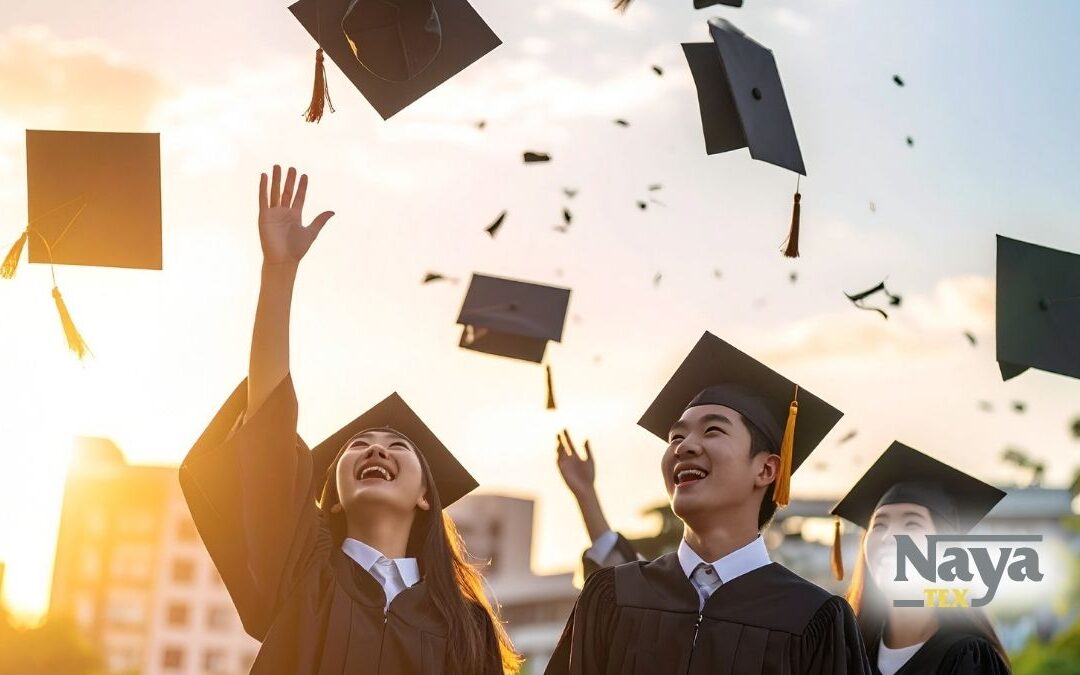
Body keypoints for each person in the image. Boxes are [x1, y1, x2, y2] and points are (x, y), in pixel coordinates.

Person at [179, 165, 520, 675]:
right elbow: (269, 433)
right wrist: (279, 274)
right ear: (331, 494)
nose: (376, 449)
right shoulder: (301, 573)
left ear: (426, 495)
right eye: (358, 445)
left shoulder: (466, 628)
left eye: (397, 446)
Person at [546, 331, 871, 675]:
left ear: (765, 469)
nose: (684, 446)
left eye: (713, 430)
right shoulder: (613, 596)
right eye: (676, 436)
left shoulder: (812, 618)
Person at [831, 442, 1011, 675]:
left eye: (912, 523)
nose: (889, 536)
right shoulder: (845, 653)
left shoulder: (970, 658)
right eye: (880, 524)